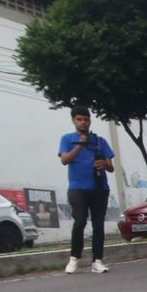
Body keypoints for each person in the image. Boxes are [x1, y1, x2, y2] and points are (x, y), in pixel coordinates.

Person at [59, 107, 115, 273]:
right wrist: (79, 146)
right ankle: (74, 257)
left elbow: (110, 167)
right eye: (79, 119)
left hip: (99, 188)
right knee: (80, 221)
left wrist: (103, 164)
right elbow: (64, 160)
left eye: (86, 119)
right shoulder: (67, 139)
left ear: (90, 120)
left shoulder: (99, 141)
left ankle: (97, 260)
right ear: (74, 121)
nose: (83, 122)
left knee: (98, 225)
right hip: (78, 189)